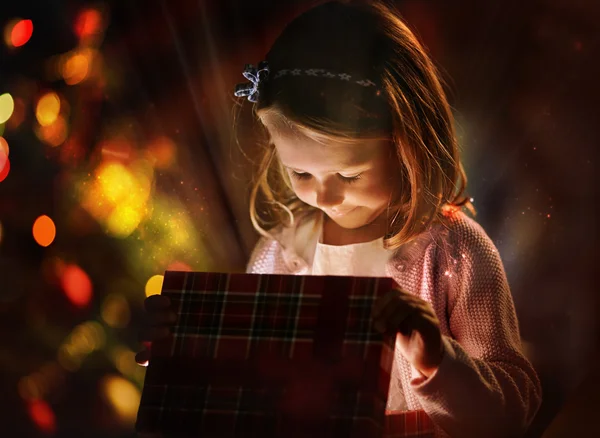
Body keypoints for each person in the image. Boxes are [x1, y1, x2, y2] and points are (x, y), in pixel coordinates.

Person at [136, 1, 542, 436]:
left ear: (408, 143)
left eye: (348, 174)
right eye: (301, 173)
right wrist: (178, 348)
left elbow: (512, 410)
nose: (324, 195)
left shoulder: (453, 252)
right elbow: (250, 389)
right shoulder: (282, 255)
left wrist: (436, 361)